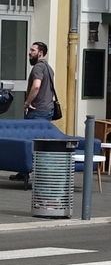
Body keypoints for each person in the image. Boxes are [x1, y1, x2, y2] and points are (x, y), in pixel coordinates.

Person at [10, 42, 55, 181]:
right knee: (42, 143)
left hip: (37, 111)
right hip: (47, 110)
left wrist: (27, 103)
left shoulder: (38, 68)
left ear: (40, 52)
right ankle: (42, 173)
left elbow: (36, 86)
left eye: (32, 50)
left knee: (27, 142)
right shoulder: (49, 68)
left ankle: (24, 172)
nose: (29, 52)